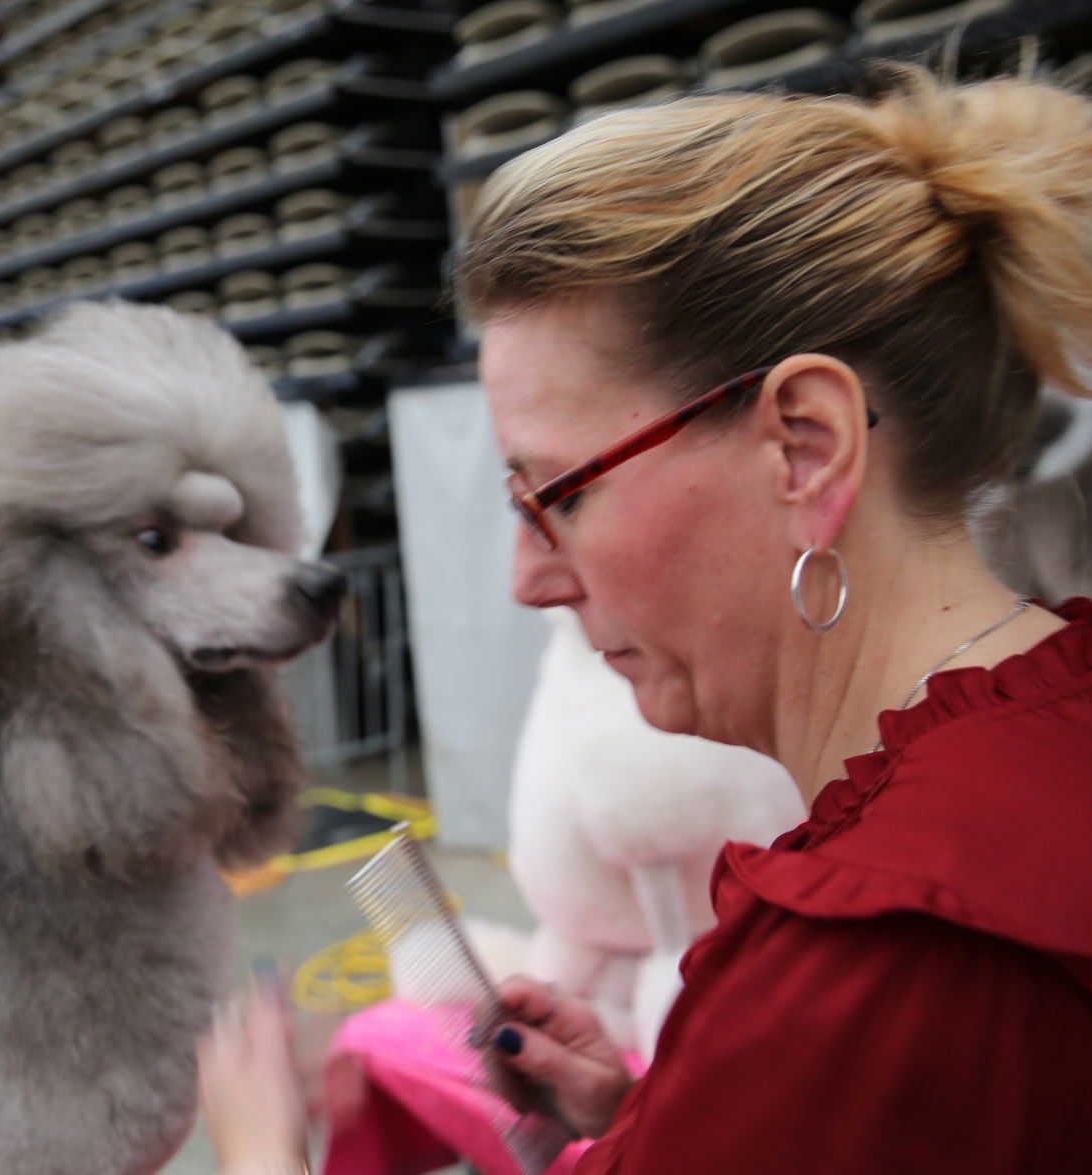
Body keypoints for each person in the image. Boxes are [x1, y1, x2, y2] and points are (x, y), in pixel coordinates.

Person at [199, 68, 1092, 1173]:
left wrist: (256, 1152)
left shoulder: (876, 955)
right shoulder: (1047, 731)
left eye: (554, 495)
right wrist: (650, 1118)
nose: (529, 580)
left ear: (803, 447)